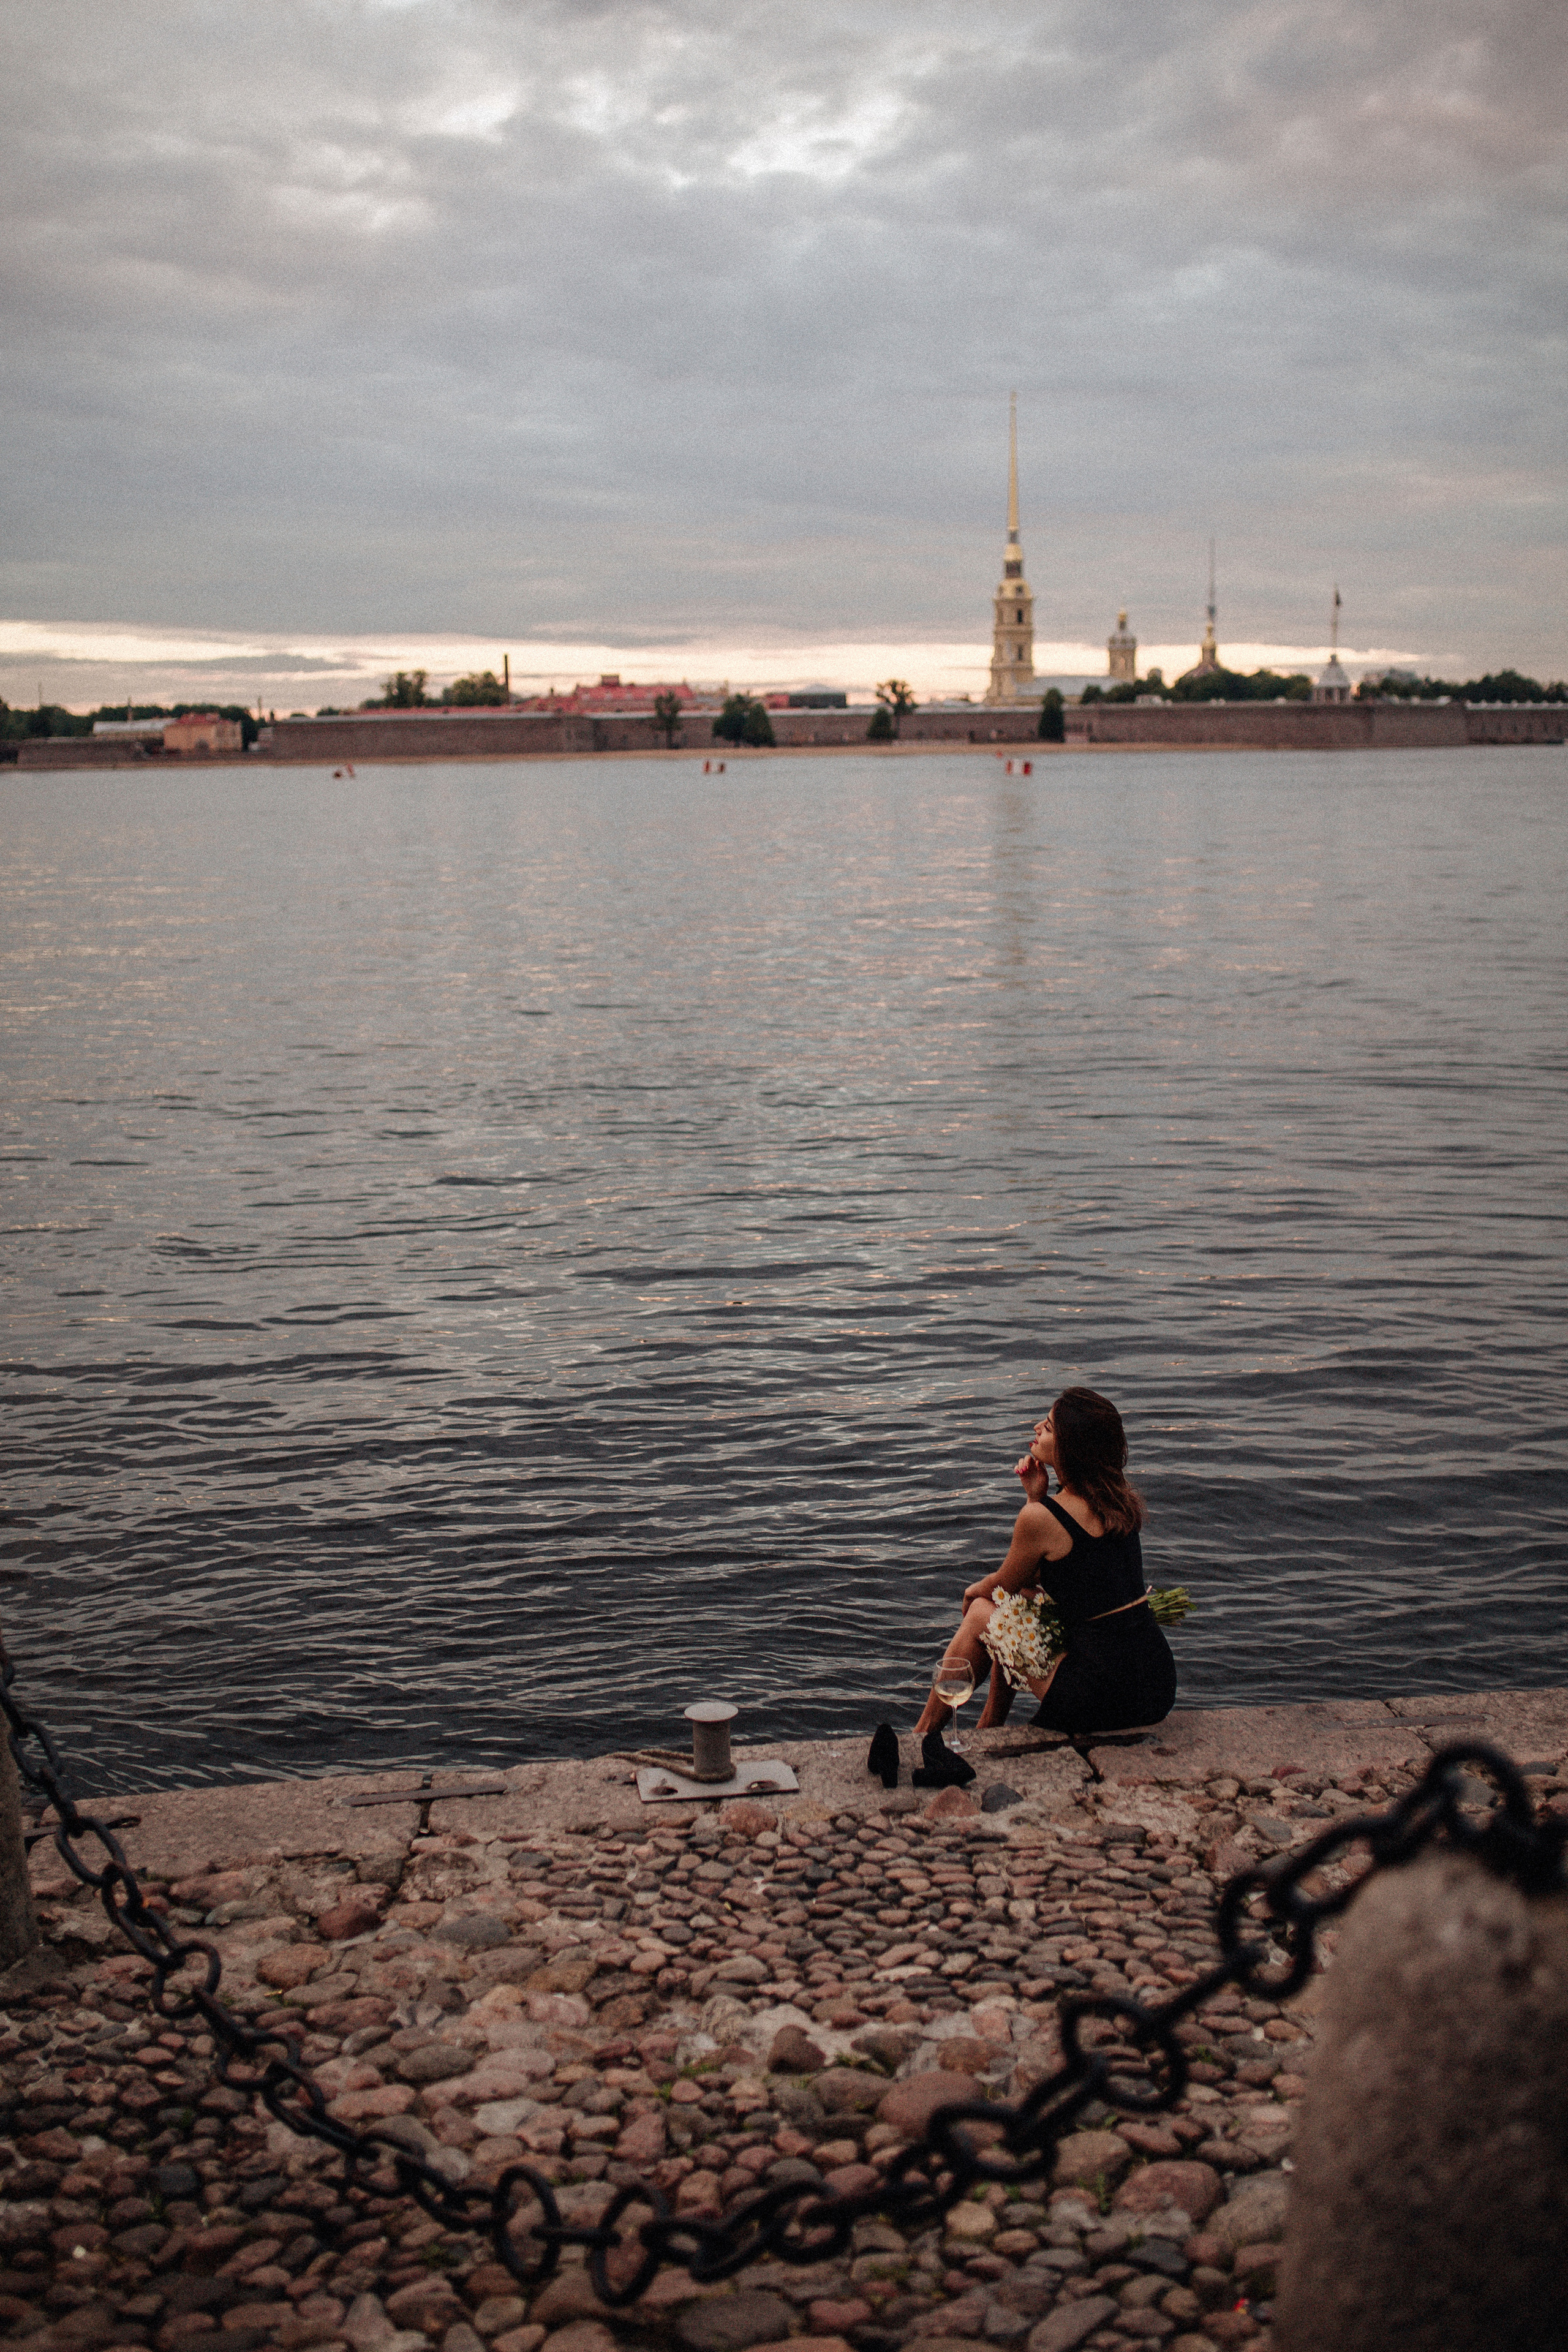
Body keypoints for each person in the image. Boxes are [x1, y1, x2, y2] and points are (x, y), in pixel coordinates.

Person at [911, 1387, 1175, 1754]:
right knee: (1018, 1607)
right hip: (1154, 1685)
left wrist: (973, 1591)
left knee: (980, 1614)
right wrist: (1038, 1498)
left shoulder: (1041, 1519)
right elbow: (1060, 1579)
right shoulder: (1121, 1502)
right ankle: (989, 1729)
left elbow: (1001, 1586)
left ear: (1071, 1447)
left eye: (1048, 1427)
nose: (1037, 1427)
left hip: (1099, 1692)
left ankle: (919, 1738)